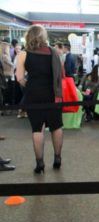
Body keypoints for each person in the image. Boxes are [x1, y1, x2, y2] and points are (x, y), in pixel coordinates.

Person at [15, 24, 64, 174]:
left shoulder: (23, 54)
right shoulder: (54, 52)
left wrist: (28, 85)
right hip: (53, 95)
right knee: (56, 127)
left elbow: (19, 78)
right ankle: (57, 158)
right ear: (44, 37)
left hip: (33, 94)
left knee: (37, 129)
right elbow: (60, 73)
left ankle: (40, 163)